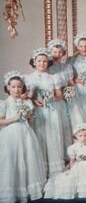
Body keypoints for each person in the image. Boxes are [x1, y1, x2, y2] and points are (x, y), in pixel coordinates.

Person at [0, 71, 46, 203]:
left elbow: (31, 120)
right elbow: (0, 121)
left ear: (23, 87)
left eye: (19, 87)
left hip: (26, 133)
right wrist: (15, 118)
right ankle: (12, 190)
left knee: (28, 159)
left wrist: (28, 116)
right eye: (13, 87)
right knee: (11, 161)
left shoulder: (27, 102)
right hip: (11, 135)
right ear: (8, 87)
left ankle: (26, 189)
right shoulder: (5, 103)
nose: (16, 90)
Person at [26, 48, 65, 177]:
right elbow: (26, 96)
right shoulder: (28, 78)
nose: (42, 64)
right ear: (34, 62)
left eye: (44, 61)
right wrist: (33, 99)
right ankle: (40, 169)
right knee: (40, 136)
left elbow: (59, 95)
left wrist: (52, 97)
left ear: (48, 62)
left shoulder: (54, 77)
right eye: (39, 61)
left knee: (53, 136)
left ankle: (55, 170)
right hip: (37, 111)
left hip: (51, 110)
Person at [47, 39, 73, 160]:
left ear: (63, 53)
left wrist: (68, 92)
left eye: (59, 52)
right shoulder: (47, 68)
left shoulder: (67, 67)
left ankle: (66, 155)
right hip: (51, 101)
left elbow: (70, 83)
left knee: (65, 126)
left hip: (64, 100)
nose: (57, 55)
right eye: (54, 52)